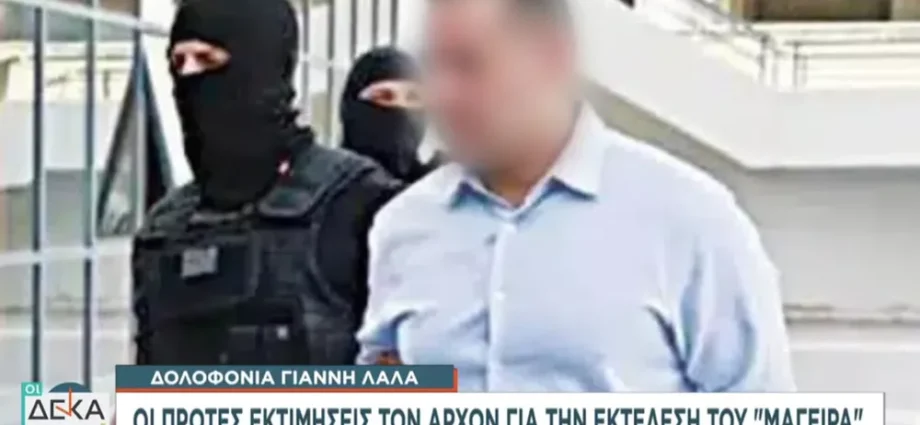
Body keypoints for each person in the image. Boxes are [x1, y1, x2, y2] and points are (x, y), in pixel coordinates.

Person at [357, 0, 795, 391]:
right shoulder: (403, 224)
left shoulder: (691, 219)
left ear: (552, 57)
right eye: (433, 69)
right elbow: (387, 379)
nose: (444, 95)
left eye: (469, 65)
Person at [131, 0, 401, 365]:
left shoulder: (360, 204)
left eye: (208, 60)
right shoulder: (162, 230)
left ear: (262, 64)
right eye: (178, 63)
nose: (190, 78)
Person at [340, 47, 442, 183]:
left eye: (413, 98)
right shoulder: (324, 187)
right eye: (384, 96)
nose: (401, 110)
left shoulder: (443, 187)